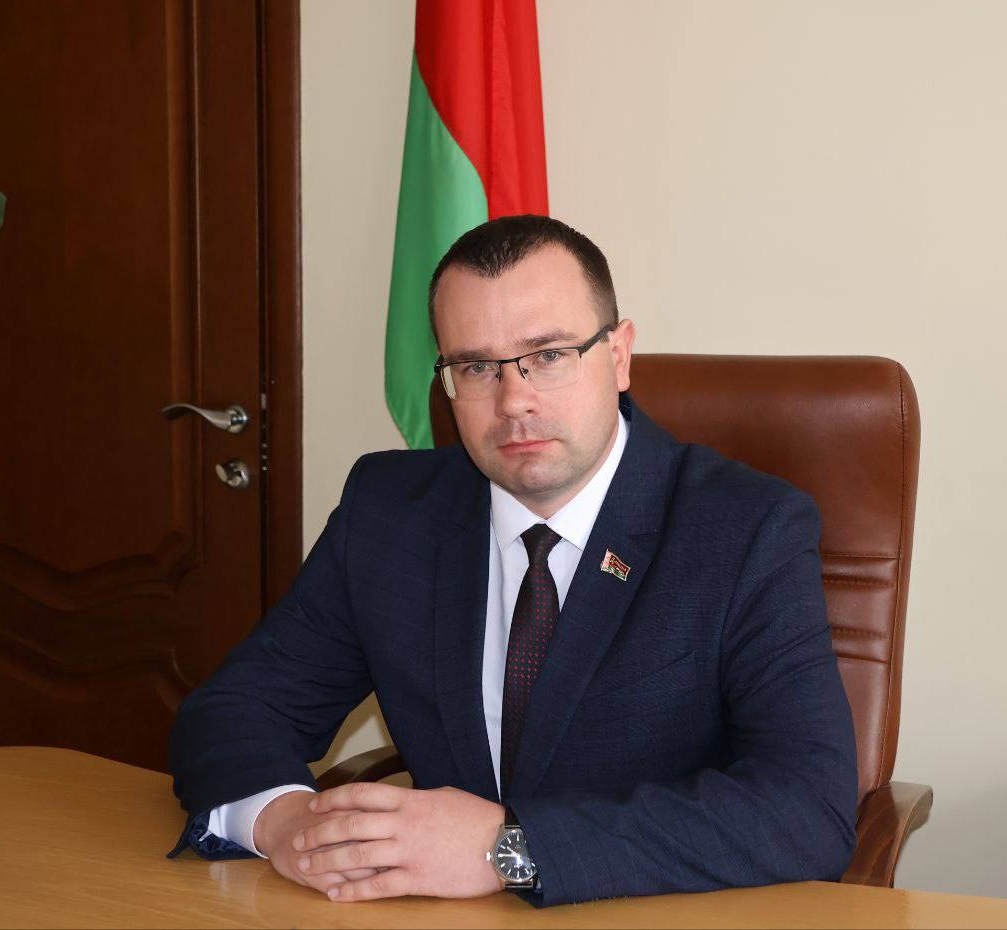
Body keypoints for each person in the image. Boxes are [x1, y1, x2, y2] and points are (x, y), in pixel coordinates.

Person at [167, 215, 858, 907]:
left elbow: (807, 808)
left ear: (619, 356)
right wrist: (284, 822)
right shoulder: (389, 513)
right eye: (475, 367)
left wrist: (510, 849)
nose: (513, 401)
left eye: (548, 355)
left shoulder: (747, 529)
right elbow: (236, 709)